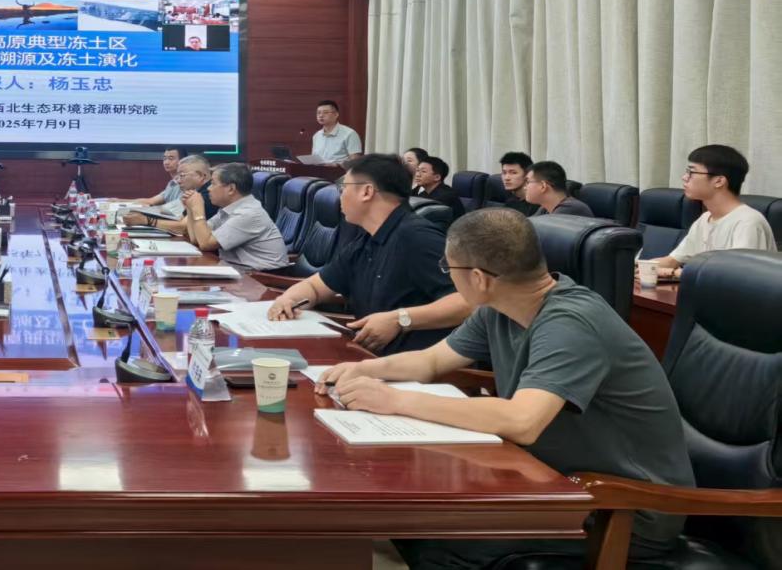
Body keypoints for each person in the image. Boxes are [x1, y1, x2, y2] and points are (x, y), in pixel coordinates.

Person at [318, 208, 693, 569]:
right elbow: (430, 361)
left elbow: (522, 421)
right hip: (555, 480)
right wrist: (361, 368)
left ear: (479, 278)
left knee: (442, 538)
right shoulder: (500, 308)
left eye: (449, 269)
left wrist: (395, 400)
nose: (449, 277)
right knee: (413, 518)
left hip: (626, 509)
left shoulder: (571, 323)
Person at [266, 154, 468, 353]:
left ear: (366, 192)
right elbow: (315, 286)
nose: (340, 196)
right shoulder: (366, 239)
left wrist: (400, 319)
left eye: (343, 188)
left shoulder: (417, 237)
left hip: (418, 365)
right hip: (369, 356)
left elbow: (467, 301)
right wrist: (288, 299)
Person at [655, 144, 776, 279]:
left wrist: (674, 273)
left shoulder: (748, 222)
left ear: (719, 181)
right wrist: (641, 266)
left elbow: (739, 276)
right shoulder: (705, 218)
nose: (684, 177)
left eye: (691, 172)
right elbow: (672, 260)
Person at [182, 162, 290, 273]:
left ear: (231, 189)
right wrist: (191, 208)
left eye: (213, 184)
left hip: (262, 277)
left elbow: (205, 244)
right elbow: (196, 239)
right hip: (240, 271)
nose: (209, 188)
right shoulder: (229, 208)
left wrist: (198, 210)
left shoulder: (248, 213)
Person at [119, 147, 187, 228]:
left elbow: (174, 210)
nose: (166, 162)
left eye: (171, 159)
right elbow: (150, 201)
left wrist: (148, 210)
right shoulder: (171, 184)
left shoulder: (187, 184)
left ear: (182, 161)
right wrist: (118, 201)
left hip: (175, 226)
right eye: (165, 159)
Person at [164, 154, 219, 237]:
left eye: (182, 175)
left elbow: (182, 228)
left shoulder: (208, 196)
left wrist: (148, 221)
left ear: (200, 176)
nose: (178, 181)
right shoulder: (196, 193)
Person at [523, 161, 593, 217]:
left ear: (543, 186)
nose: (524, 187)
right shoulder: (545, 208)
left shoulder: (570, 209)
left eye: (528, 182)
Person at [311, 100, 362, 165]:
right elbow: (314, 159)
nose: (321, 115)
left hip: (339, 170)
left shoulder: (350, 134)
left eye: (325, 112)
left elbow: (355, 161)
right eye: (318, 113)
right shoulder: (316, 136)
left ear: (336, 114)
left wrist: (336, 165)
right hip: (319, 170)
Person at [415, 157, 465, 221]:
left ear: (437, 177)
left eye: (423, 171)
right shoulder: (423, 194)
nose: (417, 175)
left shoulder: (446, 196)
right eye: (417, 170)